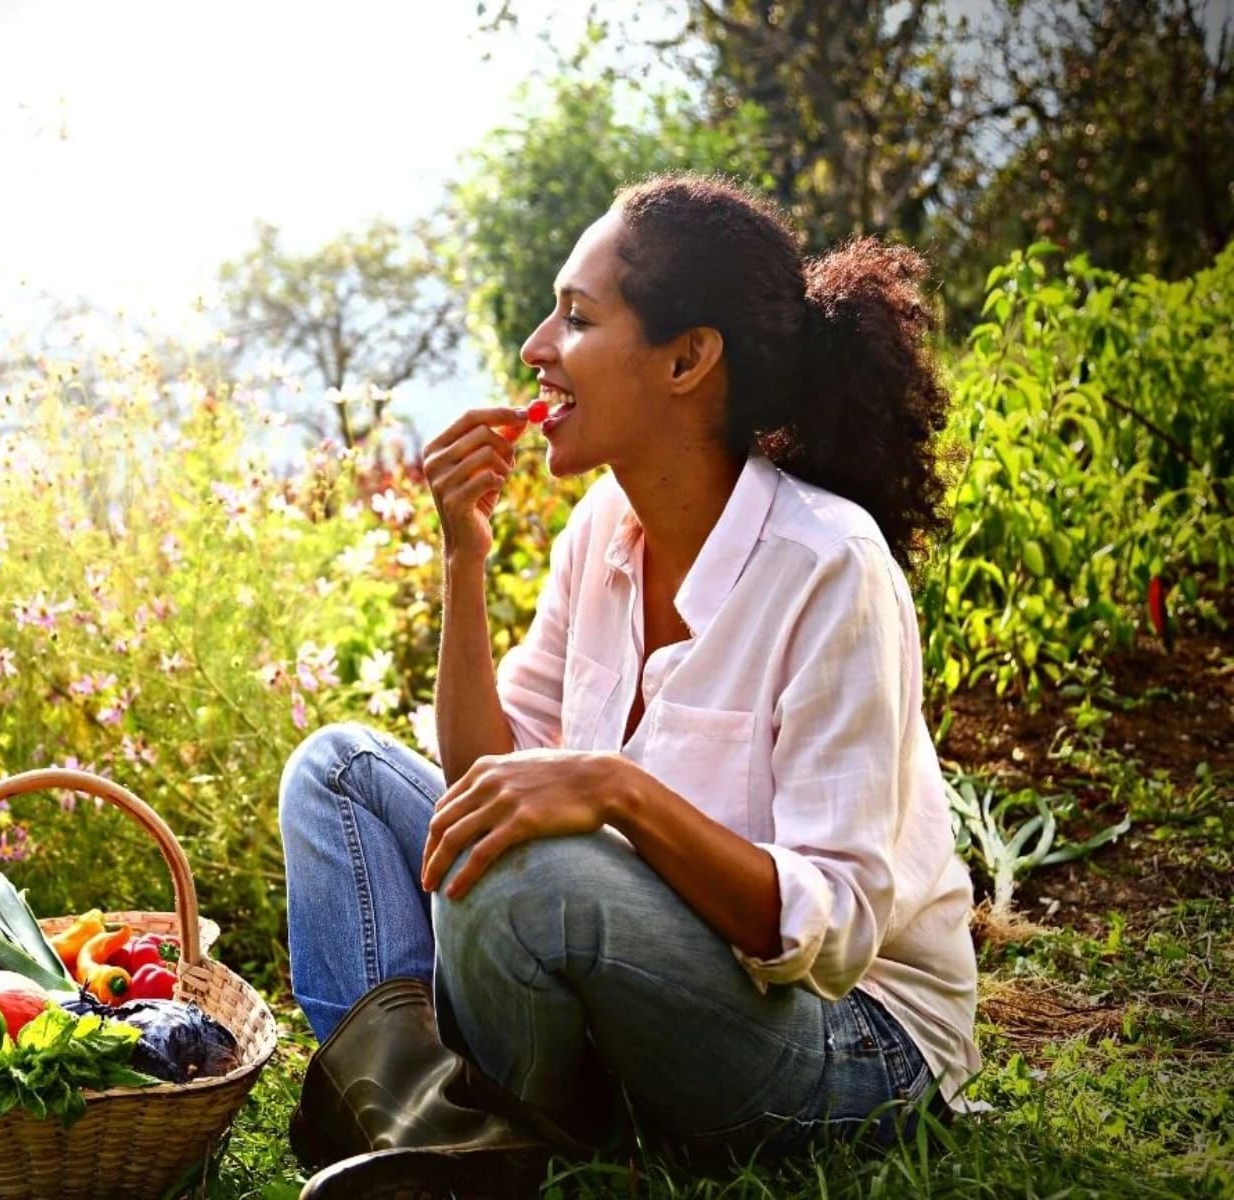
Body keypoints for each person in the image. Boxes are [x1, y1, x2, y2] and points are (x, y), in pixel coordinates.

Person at [279, 173, 981, 1198]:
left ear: (689, 359)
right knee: (336, 772)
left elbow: (832, 931)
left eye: (577, 317)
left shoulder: (829, 567)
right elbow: (486, 772)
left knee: (523, 875)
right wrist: (462, 563)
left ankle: (494, 1128)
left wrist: (615, 788)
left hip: (848, 1043)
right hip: (645, 986)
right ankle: (433, 1131)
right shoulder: (601, 532)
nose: (536, 348)